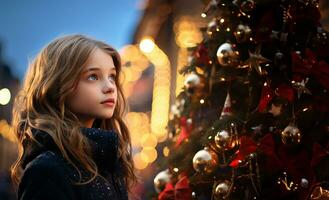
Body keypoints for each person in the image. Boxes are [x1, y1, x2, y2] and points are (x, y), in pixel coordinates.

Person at [10, 34, 137, 200]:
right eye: (93, 76)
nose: (110, 87)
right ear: (58, 85)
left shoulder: (107, 161)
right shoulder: (47, 170)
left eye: (112, 76)